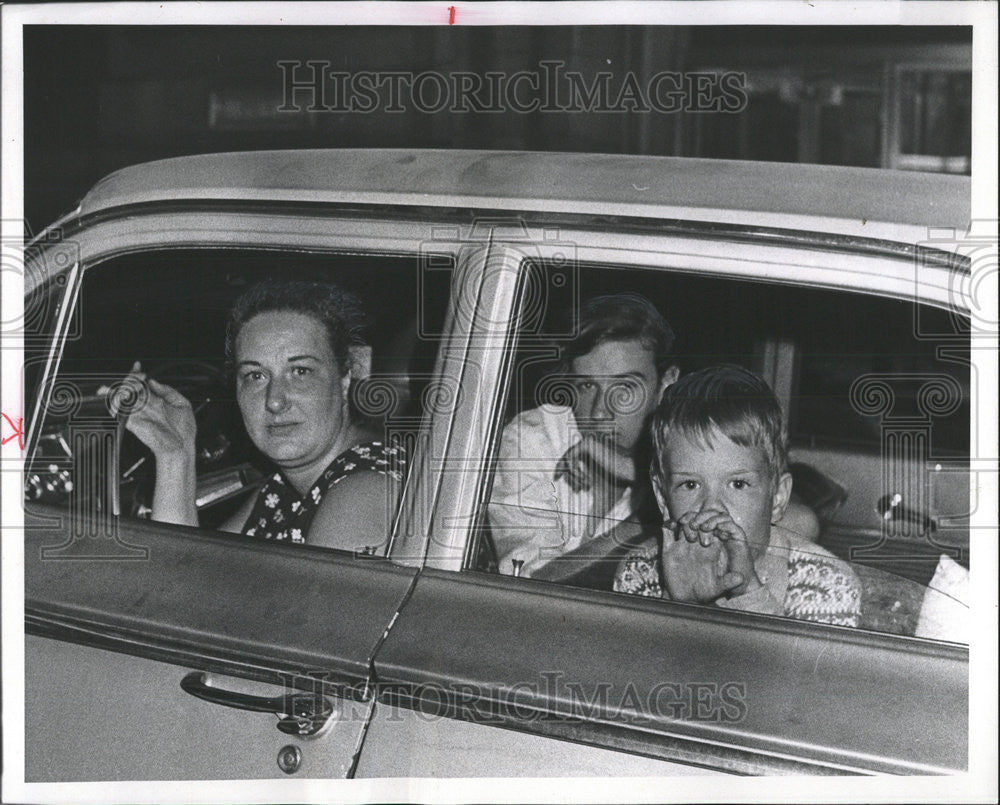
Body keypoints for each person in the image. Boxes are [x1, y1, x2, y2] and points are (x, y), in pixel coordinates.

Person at [115, 279, 406, 552]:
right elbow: (185, 574)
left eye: (300, 372)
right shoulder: (283, 488)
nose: (275, 401)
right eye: (255, 376)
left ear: (346, 376)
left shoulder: (363, 490)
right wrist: (175, 453)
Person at [613, 365, 860, 627]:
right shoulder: (641, 573)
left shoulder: (827, 584)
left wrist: (748, 594)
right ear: (663, 499)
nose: (712, 507)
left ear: (777, 498)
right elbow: (635, 665)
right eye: (690, 485)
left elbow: (799, 668)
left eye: (738, 484)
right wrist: (678, 605)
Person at [488, 294, 679, 577]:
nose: (600, 412)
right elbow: (534, 588)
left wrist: (647, 480)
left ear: (665, 386)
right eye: (587, 385)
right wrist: (648, 517)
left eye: (625, 387)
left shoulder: (689, 460)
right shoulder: (534, 440)